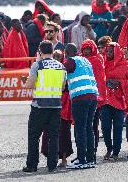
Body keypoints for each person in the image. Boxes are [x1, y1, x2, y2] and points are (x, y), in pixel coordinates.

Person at [22, 40, 66, 173]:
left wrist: (25, 81)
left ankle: (32, 165)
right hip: (56, 105)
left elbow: (29, 85)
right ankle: (52, 165)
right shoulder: (61, 66)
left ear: (40, 52)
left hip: (39, 106)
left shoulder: (38, 65)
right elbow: (63, 87)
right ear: (52, 51)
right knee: (53, 136)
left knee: (34, 136)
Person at [102, 42, 128, 160]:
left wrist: (120, 83)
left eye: (111, 51)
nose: (108, 53)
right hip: (107, 100)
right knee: (105, 127)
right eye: (107, 51)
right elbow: (99, 79)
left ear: (117, 52)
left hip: (120, 101)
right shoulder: (104, 64)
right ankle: (109, 148)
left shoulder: (125, 65)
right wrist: (106, 83)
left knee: (117, 128)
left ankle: (116, 152)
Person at [65, 45, 98, 170]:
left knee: (80, 129)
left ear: (67, 52)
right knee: (88, 128)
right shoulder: (86, 61)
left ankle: (81, 159)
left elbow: (61, 73)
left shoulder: (71, 61)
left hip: (80, 97)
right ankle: (90, 159)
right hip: (93, 96)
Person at [41, 49, 74, 167]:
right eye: (54, 56)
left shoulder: (66, 70)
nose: (55, 58)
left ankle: (64, 159)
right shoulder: (46, 69)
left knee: (64, 132)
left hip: (63, 105)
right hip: (50, 104)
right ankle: (51, 158)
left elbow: (67, 87)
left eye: (58, 57)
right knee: (47, 132)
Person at [80, 39, 106, 162]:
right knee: (84, 126)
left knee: (93, 126)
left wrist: (100, 96)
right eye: (84, 49)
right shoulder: (80, 60)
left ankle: (93, 151)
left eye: (88, 49)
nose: (86, 51)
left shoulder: (97, 60)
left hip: (94, 97)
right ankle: (84, 151)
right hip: (83, 96)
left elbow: (100, 79)